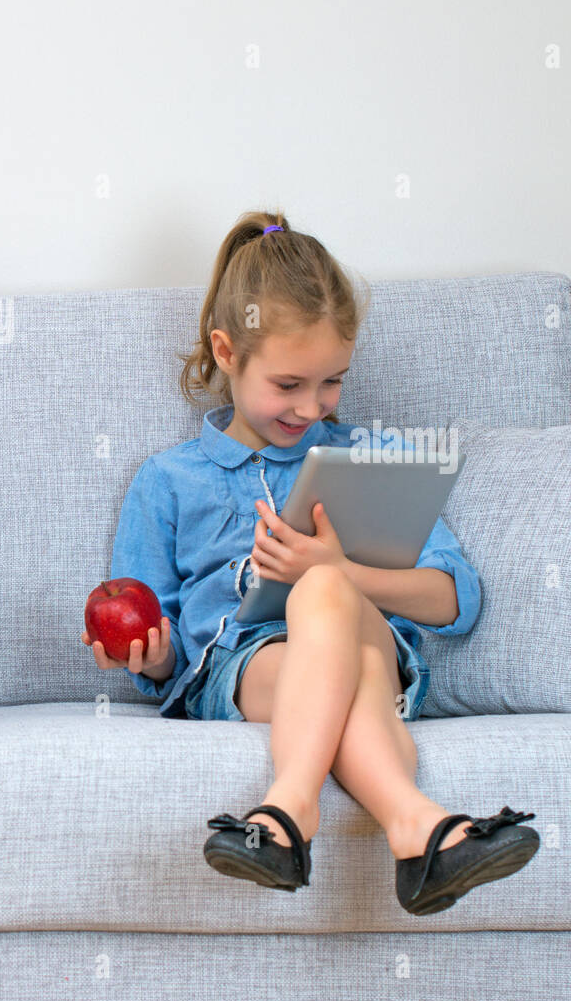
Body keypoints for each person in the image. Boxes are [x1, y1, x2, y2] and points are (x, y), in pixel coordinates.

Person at [82, 210, 539, 914]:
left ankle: (286, 814)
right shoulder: (168, 480)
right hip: (246, 666)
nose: (311, 407)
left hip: (372, 652)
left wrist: (338, 571)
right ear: (226, 352)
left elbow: (455, 600)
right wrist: (149, 655)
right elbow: (165, 655)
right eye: (289, 384)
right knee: (334, 661)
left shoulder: (370, 458)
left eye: (332, 383)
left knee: (325, 587)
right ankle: (420, 831)